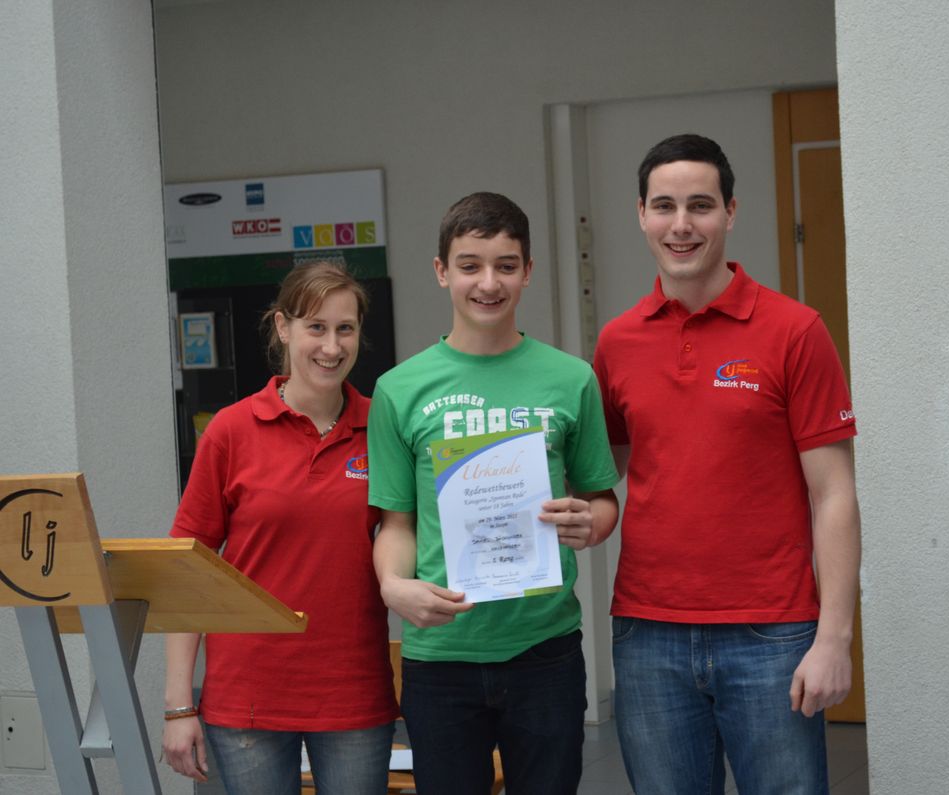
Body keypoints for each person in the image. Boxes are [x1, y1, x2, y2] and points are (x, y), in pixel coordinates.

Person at [592, 133, 862, 794]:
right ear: (641, 214)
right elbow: (602, 471)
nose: (681, 224)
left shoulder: (795, 331)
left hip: (771, 632)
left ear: (731, 212)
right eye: (664, 206)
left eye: (700, 205)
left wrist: (834, 638)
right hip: (649, 632)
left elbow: (834, 493)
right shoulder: (617, 341)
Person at [368, 192, 619, 794]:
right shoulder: (399, 389)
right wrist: (393, 586)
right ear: (441, 271)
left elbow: (602, 499)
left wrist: (593, 523)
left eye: (506, 265)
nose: (488, 283)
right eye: (470, 265)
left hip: (544, 649)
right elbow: (397, 523)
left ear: (527, 271)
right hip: (441, 653)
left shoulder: (572, 379)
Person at [162, 261, 397, 794]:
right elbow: (186, 571)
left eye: (345, 328)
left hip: (352, 690)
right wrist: (179, 705)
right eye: (316, 327)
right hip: (248, 694)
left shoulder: (383, 426)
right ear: (283, 327)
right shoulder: (231, 430)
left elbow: (406, 535)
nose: (331, 347)